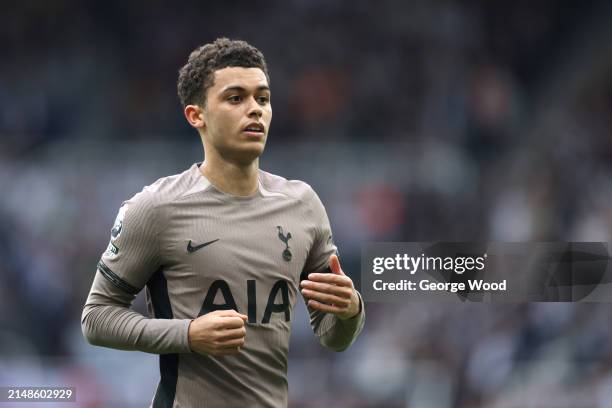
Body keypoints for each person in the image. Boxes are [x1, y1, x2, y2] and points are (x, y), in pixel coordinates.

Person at [81, 37, 365, 408]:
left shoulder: (303, 205)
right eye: (236, 98)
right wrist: (187, 334)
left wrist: (351, 310)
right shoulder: (156, 207)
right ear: (196, 115)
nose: (255, 110)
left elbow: (333, 338)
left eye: (262, 99)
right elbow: (96, 318)